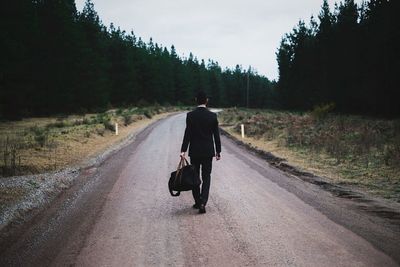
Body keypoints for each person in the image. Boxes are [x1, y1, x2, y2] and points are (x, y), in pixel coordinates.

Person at [180, 91, 221, 214]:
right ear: (206, 101)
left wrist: (183, 150)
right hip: (208, 152)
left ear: (196, 100)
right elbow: (216, 136)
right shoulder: (212, 116)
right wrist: (218, 151)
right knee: (206, 176)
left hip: (195, 151)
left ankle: (198, 201)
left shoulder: (190, 115)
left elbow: (188, 134)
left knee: (195, 177)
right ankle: (203, 201)